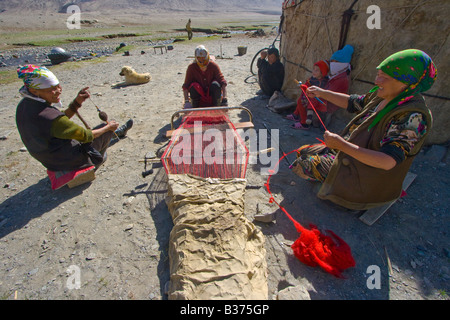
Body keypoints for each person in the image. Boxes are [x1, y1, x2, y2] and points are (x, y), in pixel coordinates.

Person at [291, 49, 437, 211]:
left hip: (367, 173)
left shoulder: (411, 116)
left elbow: (387, 161)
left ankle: (345, 193)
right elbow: (353, 102)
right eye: (379, 74)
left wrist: (342, 145)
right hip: (349, 154)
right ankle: (331, 177)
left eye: (385, 77)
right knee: (302, 152)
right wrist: (321, 93)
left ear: (407, 82)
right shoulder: (383, 95)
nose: (377, 81)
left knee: (304, 164)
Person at [15, 65, 133, 173]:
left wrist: (77, 102)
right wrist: (108, 127)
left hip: (52, 158)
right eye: (51, 89)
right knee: (104, 128)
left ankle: (115, 134)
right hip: (68, 161)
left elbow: (60, 124)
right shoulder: (50, 117)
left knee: (100, 130)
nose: (58, 91)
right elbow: (86, 135)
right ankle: (95, 160)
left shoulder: (25, 105)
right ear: (33, 90)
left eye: (58, 86)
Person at [285, 60, 329, 129]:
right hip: (310, 97)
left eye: (317, 70)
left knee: (301, 101)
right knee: (301, 97)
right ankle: (296, 114)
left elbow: (315, 93)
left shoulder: (321, 83)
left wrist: (305, 88)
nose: (314, 72)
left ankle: (304, 123)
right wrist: (302, 86)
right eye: (314, 69)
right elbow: (307, 86)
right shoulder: (313, 79)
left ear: (322, 73)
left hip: (316, 101)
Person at [325, 44, 354, 115]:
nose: (333, 64)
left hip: (328, 106)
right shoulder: (334, 75)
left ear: (344, 64)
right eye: (332, 61)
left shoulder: (342, 79)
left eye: (337, 62)